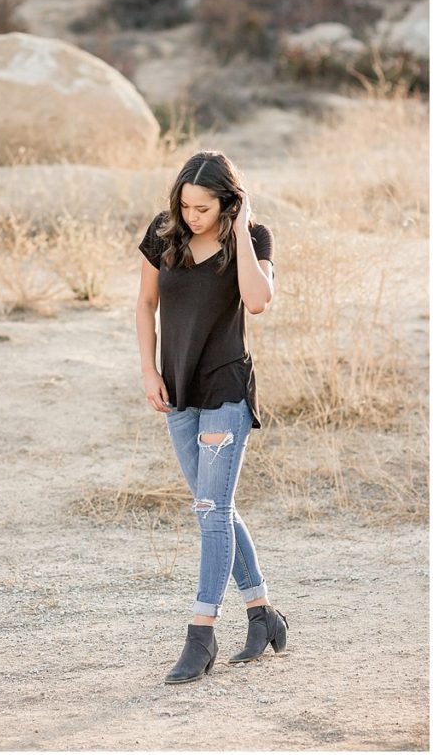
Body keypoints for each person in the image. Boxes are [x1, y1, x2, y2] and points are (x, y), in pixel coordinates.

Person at [135, 150, 288, 683]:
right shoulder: (164, 235)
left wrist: (242, 231)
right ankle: (263, 615)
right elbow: (145, 303)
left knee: (211, 508)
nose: (191, 216)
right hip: (177, 388)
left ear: (229, 202)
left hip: (225, 388)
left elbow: (259, 300)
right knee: (213, 506)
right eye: (185, 205)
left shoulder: (253, 238)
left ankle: (201, 632)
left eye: (203, 208)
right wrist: (149, 371)